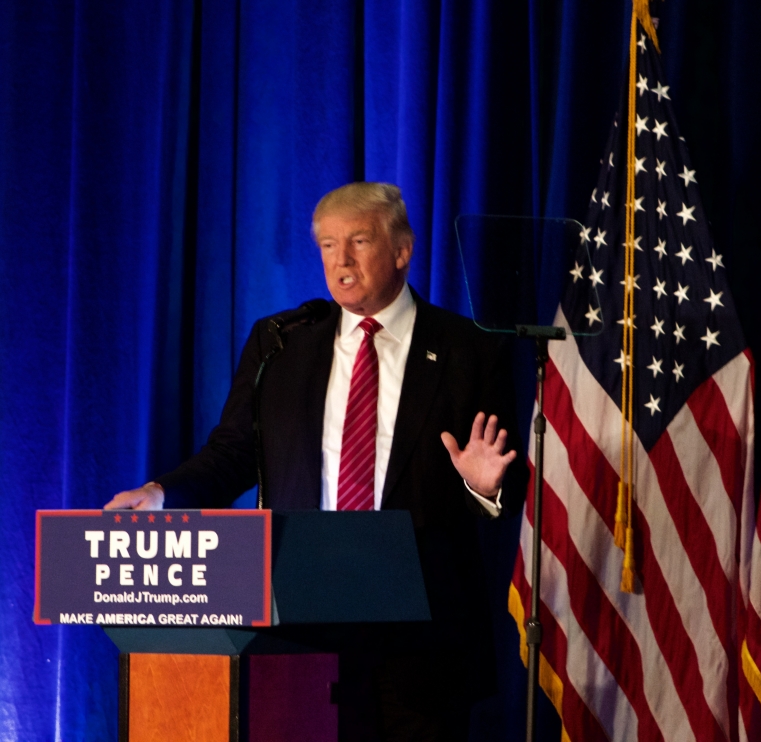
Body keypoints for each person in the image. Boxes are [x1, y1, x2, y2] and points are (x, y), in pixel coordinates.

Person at [106, 182, 526, 741]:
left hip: (422, 640)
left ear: (402, 250)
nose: (341, 261)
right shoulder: (281, 344)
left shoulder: (468, 347)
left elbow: (507, 480)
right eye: (328, 246)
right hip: (300, 631)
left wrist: (484, 488)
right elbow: (234, 452)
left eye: (358, 241)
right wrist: (163, 493)